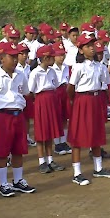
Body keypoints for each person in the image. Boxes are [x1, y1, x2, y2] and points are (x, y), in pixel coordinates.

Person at [0, 42, 35, 198]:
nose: (15, 59)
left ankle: (18, 180)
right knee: (2, 151)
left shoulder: (21, 75)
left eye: (15, 56)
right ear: (1, 57)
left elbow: (25, 93)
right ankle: (3, 183)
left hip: (18, 115)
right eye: (11, 56)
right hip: (2, 116)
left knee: (18, 149)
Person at [67, 35, 110, 186]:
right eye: (87, 46)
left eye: (93, 45)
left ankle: (98, 168)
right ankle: (77, 173)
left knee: (96, 133)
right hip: (83, 100)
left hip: (96, 99)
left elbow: (106, 85)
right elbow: (71, 88)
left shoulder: (100, 66)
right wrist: (75, 102)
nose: (92, 48)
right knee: (78, 136)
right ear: (81, 50)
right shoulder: (78, 67)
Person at [28, 45, 65, 174]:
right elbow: (31, 91)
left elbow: (55, 85)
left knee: (49, 131)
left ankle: (50, 159)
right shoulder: (35, 73)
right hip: (41, 101)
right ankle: (41, 161)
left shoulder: (52, 71)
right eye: (51, 57)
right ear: (45, 58)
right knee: (41, 132)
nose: (54, 59)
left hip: (51, 100)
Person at [52, 41, 72, 155]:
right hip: (56, 93)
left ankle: (63, 141)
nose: (61, 57)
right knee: (56, 118)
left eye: (63, 54)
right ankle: (57, 143)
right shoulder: (51, 68)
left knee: (65, 117)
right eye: (59, 55)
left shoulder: (66, 67)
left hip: (65, 92)